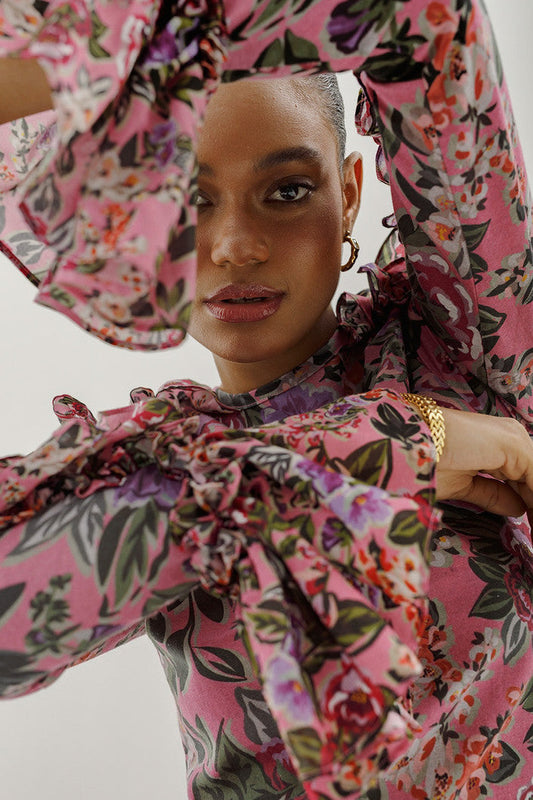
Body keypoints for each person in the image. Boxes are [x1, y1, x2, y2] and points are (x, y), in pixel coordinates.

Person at [1, 1, 533, 799]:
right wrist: (399, 445)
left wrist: (139, 58)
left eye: (284, 192)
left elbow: (427, 22)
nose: (234, 245)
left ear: (348, 193)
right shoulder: (149, 474)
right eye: (186, 199)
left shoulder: (468, 345)